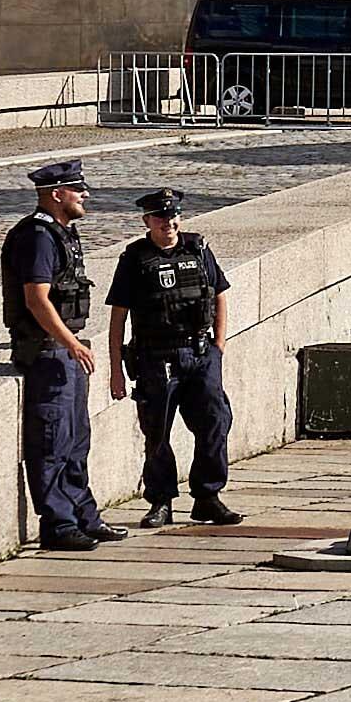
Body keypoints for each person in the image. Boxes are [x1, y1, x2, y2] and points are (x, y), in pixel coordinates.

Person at [0, 161, 117, 551]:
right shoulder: (38, 236)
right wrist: (71, 342)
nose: (86, 195)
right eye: (78, 189)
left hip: (66, 352)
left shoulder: (64, 232)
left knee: (76, 440)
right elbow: (36, 300)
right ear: (56, 194)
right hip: (48, 354)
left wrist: (74, 343)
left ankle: (84, 514)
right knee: (51, 442)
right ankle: (57, 524)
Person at [112, 186, 243, 529]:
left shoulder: (198, 249)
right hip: (156, 357)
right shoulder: (134, 259)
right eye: (160, 217)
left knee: (215, 422)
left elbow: (220, 294)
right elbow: (118, 316)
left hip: (200, 353)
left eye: (172, 216)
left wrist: (220, 344)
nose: (168, 222)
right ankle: (161, 501)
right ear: (147, 221)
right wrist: (115, 370)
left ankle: (207, 497)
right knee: (157, 433)